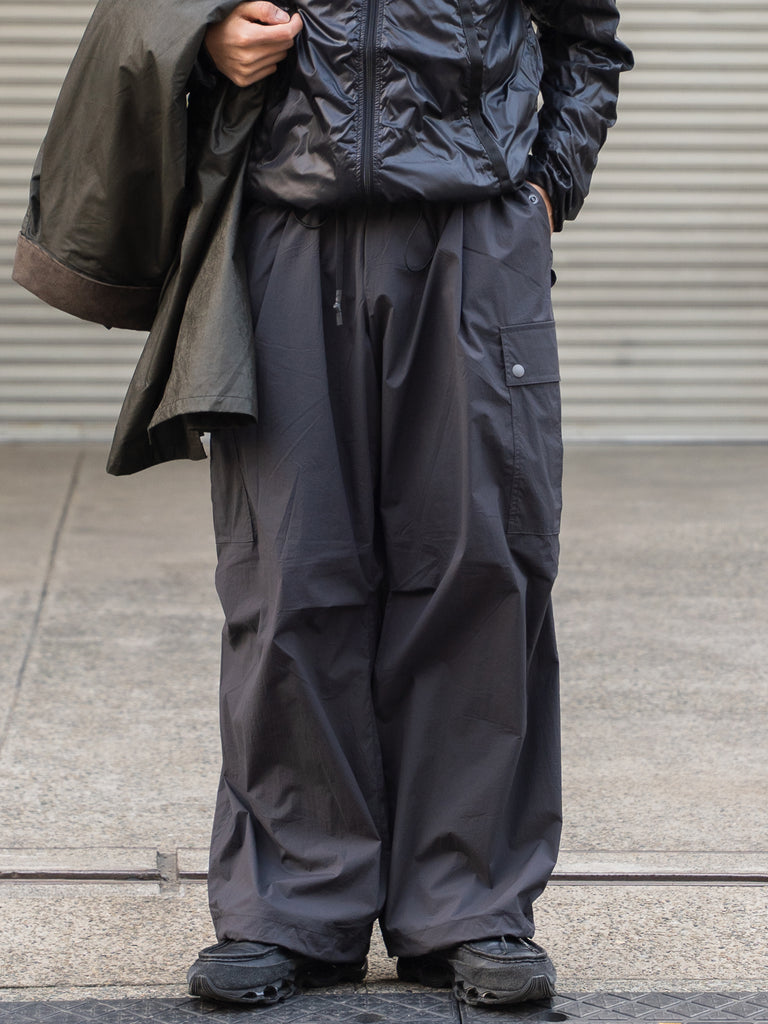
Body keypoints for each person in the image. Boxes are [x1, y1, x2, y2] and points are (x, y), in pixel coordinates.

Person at [13, 0, 632, 1009]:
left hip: (473, 235)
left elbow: (588, 39)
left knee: (481, 566)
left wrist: (547, 188)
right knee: (289, 573)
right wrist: (209, 42)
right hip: (284, 230)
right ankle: (291, 905)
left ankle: (468, 904)